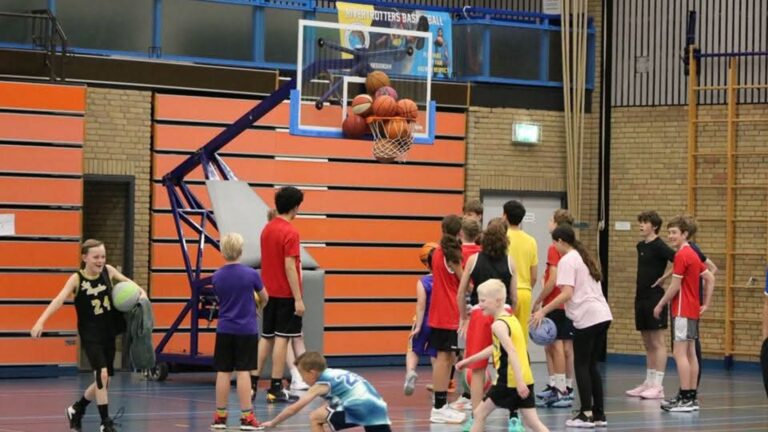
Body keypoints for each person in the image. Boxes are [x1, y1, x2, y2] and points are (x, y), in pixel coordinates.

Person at [31, 239, 147, 432]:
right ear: (84, 257)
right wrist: (40, 321)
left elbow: (131, 285)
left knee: (105, 380)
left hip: (108, 331)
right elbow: (59, 300)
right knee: (102, 374)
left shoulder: (108, 271)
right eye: (96, 257)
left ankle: (77, 409)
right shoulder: (77, 279)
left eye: (103, 256)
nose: (100, 260)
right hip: (91, 334)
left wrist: (142, 295)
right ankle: (105, 423)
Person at [531, 224, 613, 428]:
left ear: (560, 241)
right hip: (603, 315)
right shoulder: (582, 257)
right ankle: (599, 414)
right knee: (591, 366)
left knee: (581, 366)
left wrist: (543, 310)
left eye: (554, 242)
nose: (554, 246)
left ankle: (585, 414)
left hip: (588, 318)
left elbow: (567, 293)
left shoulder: (567, 260)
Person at [456, 280, 549, 432]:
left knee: (479, 414)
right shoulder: (512, 319)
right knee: (533, 423)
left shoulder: (498, 325)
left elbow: (512, 352)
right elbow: (495, 348)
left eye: (483, 301)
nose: (479, 305)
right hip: (525, 378)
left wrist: (518, 382)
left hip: (508, 381)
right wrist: (469, 361)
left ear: (498, 301)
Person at [653, 215, 715, 413]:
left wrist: (660, 304)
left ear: (685, 234)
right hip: (693, 310)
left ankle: (686, 398)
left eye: (674, 232)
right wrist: (706, 303)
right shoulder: (693, 254)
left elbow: (675, 286)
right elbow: (710, 277)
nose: (670, 236)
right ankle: (690, 397)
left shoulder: (681, 255)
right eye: (669, 232)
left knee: (680, 354)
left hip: (682, 309)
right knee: (690, 353)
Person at [456, 218, 517, 412]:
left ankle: (476, 415)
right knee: (510, 366)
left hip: (480, 313)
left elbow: (461, 293)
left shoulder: (473, 260)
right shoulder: (510, 261)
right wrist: (511, 316)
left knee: (477, 368)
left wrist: (463, 317)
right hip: (503, 312)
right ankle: (513, 415)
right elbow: (514, 296)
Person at [210, 233, 269, 430]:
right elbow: (265, 297)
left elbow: (221, 298)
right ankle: (246, 418)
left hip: (224, 329)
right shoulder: (251, 274)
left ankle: (220, 417)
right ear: (241, 251)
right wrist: (256, 306)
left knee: (223, 372)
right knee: (244, 372)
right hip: (246, 330)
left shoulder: (217, 276)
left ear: (222, 251)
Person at [257, 186, 306, 403]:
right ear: (295, 207)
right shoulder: (291, 232)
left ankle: (252, 383)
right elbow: (289, 266)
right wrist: (298, 299)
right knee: (282, 340)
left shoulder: (267, 229)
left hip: (268, 293)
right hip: (285, 294)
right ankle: (275, 388)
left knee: (266, 338)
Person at [261, 352, 392, 431]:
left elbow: (293, 409)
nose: (302, 379)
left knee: (315, 417)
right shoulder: (334, 373)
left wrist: (273, 422)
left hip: (362, 407)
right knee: (324, 410)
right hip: (378, 407)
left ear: (312, 373)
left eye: (302, 374)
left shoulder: (321, 384)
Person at [625, 211, 676, 400]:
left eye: (645, 222)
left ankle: (658, 385)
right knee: (647, 343)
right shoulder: (640, 246)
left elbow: (679, 260)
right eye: (640, 222)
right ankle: (649, 381)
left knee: (657, 342)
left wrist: (664, 277)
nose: (641, 225)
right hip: (641, 297)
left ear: (654, 226)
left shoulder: (660, 245)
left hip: (655, 297)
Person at [532, 209, 576, 407]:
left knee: (554, 345)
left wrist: (539, 300)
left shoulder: (554, 247)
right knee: (565, 348)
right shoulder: (573, 247)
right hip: (567, 304)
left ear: (557, 224)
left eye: (551, 219)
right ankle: (563, 386)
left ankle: (559, 389)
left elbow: (553, 279)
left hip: (556, 302)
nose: (548, 222)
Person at [427, 215, 467, 424]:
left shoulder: (436, 252)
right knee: (444, 360)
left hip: (439, 311)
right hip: (449, 312)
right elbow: (466, 283)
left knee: (446, 359)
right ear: (459, 232)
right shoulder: (452, 255)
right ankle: (439, 407)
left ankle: (441, 405)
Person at [403, 242, 438, 396]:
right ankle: (438, 386)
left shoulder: (423, 281)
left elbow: (421, 305)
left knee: (413, 349)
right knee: (436, 355)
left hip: (424, 321)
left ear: (426, 263)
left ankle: (411, 371)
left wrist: (418, 326)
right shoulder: (446, 281)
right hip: (439, 322)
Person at [503, 200, 538, 340]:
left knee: (504, 333)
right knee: (521, 336)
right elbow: (534, 276)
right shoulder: (531, 241)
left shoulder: (502, 238)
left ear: (504, 215)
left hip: (506, 292)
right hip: (524, 292)